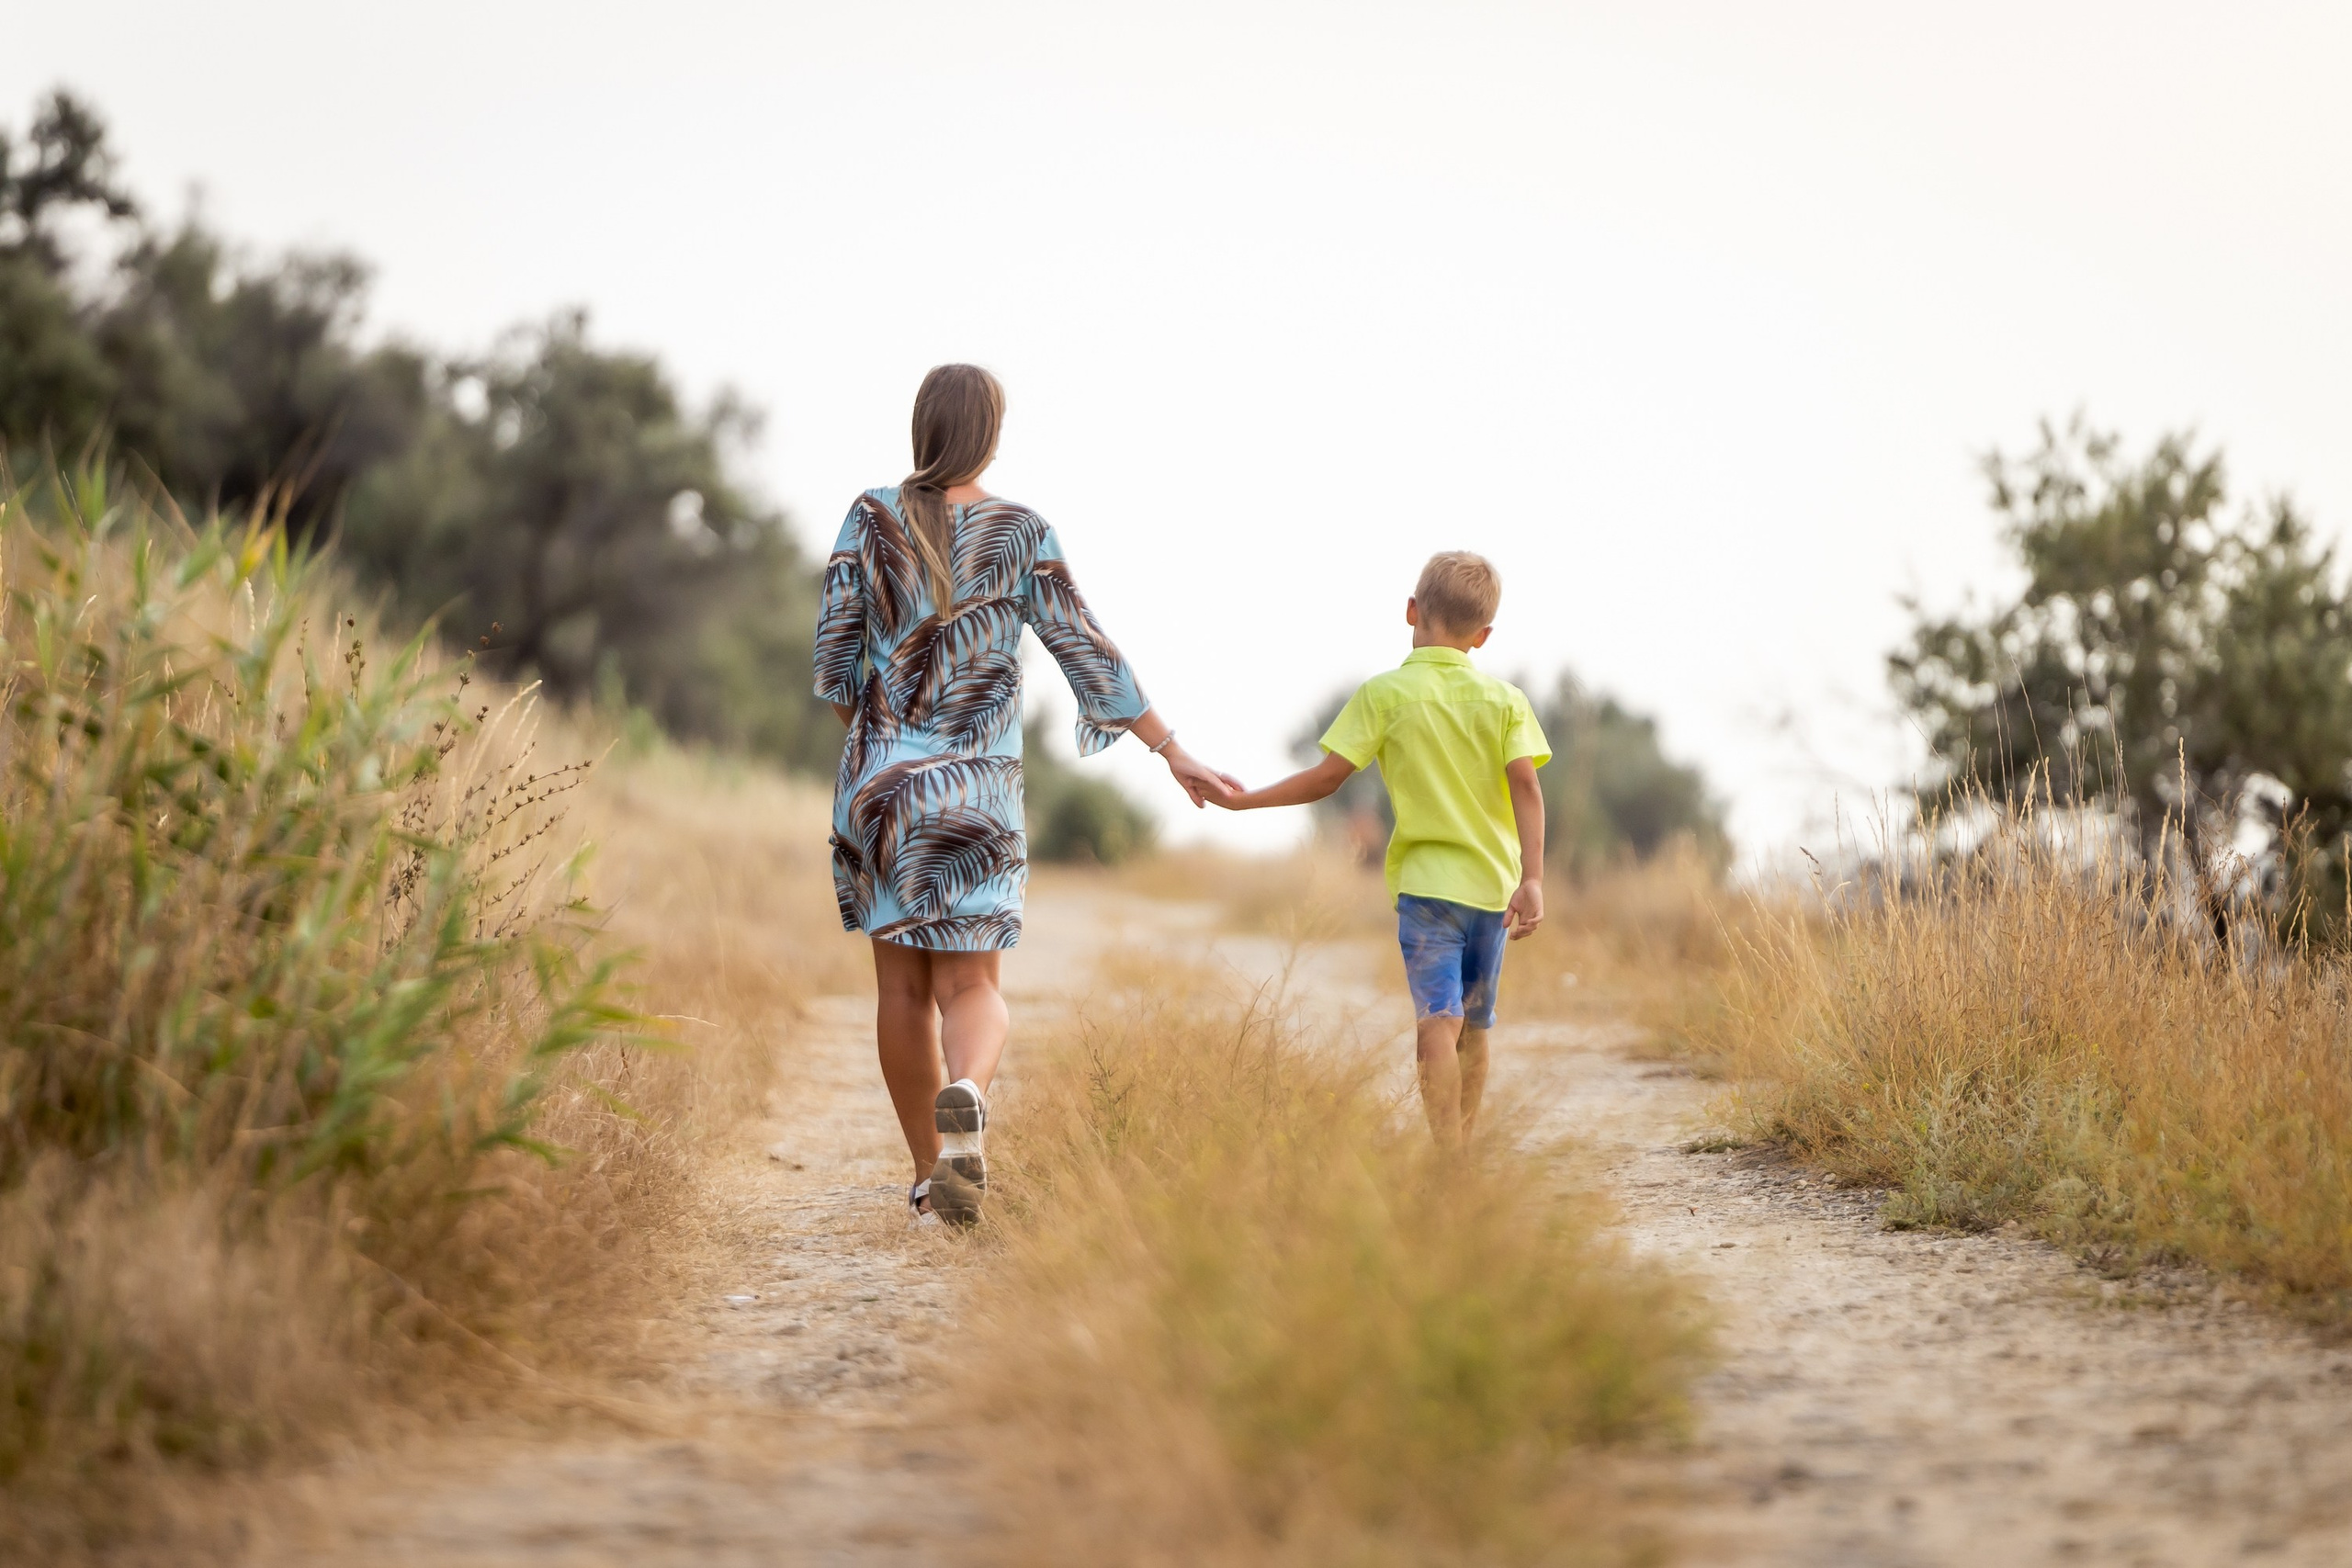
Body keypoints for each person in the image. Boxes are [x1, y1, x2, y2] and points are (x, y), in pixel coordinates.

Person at [814, 364, 1238, 1227]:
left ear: (919, 426)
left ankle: (934, 1177)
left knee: (900, 992)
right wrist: (1173, 752)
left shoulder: (868, 516)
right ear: (993, 436)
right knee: (972, 985)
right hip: (979, 793)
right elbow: (1086, 648)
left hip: (883, 788)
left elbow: (832, 670)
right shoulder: (1022, 528)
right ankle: (966, 1088)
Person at [1211, 552, 1548, 1145]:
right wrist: (1534, 878)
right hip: (1494, 890)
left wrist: (1246, 802)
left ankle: (1447, 1156)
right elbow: (1527, 787)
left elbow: (1325, 779)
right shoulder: (1505, 701)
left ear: (1412, 611)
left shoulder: (1385, 695)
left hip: (1425, 890)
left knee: (1436, 1023)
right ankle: (1461, 1151)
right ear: (1484, 635)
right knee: (1476, 1025)